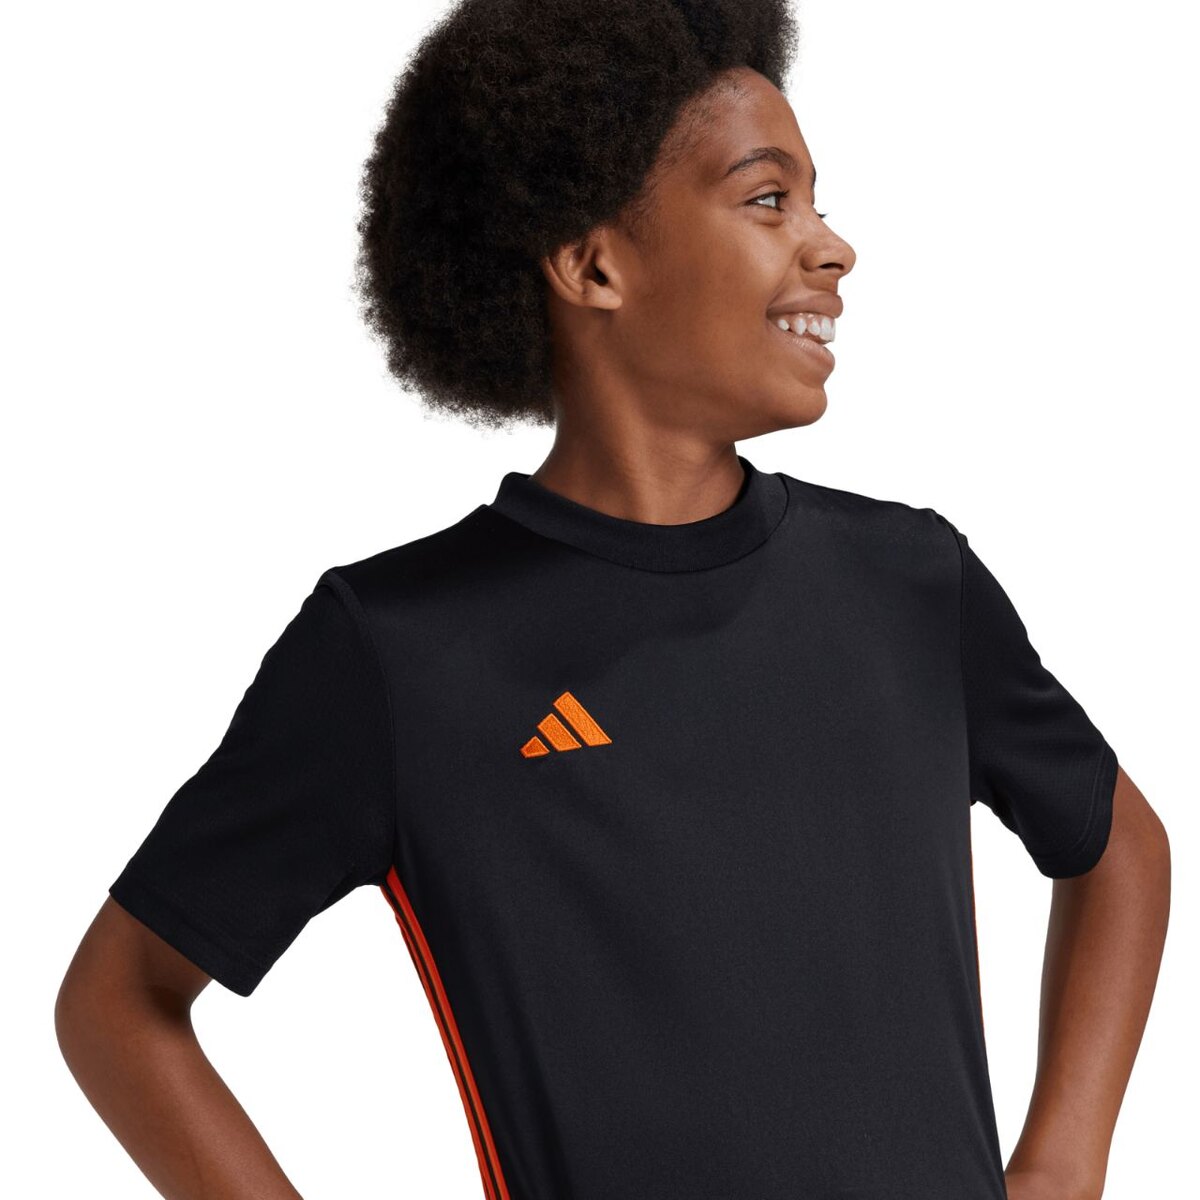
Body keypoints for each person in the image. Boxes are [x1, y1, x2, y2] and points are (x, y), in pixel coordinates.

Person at [56, 1, 1170, 1197]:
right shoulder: (401, 652)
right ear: (594, 265)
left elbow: (1119, 845)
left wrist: (1064, 1164)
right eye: (768, 199)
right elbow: (119, 1000)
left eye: (817, 201)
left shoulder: (912, 585)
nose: (833, 247)